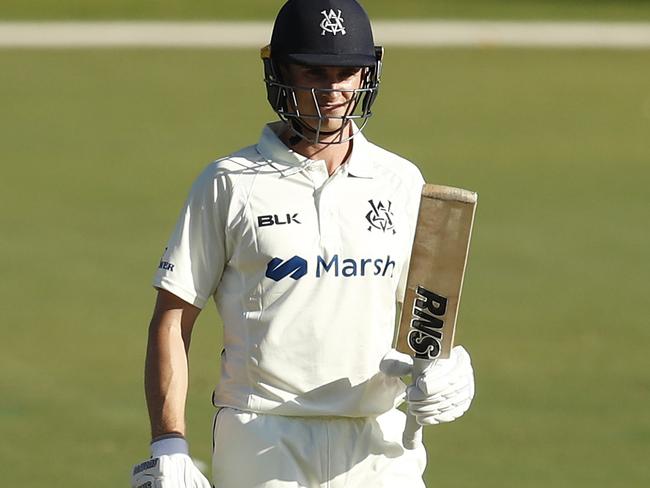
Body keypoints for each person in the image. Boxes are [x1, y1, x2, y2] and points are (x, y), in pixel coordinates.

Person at [131, 0, 475, 487]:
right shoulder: (230, 182)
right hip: (264, 436)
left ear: (366, 74)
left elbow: (426, 310)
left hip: (379, 442)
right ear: (279, 72)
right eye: (314, 71)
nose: (332, 89)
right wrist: (168, 443)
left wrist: (446, 367)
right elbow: (172, 317)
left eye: (346, 71)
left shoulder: (400, 179)